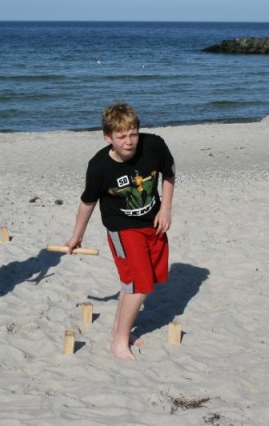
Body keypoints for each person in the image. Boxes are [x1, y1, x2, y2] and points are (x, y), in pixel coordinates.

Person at [65, 103, 176, 360]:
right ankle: (120, 342)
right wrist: (77, 235)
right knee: (139, 284)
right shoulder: (99, 166)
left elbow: (170, 173)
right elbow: (88, 202)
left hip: (153, 223)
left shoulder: (154, 145)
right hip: (122, 228)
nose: (129, 141)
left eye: (133, 134)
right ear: (108, 137)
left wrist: (166, 209)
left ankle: (118, 330)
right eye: (122, 136)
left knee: (139, 283)